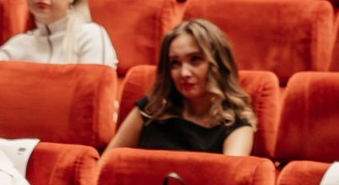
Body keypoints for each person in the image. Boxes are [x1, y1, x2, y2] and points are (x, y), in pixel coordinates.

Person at [108, 20, 256, 156]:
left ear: (217, 64)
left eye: (195, 60)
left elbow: (230, 180)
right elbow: (105, 167)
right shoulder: (151, 109)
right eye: (175, 63)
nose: (184, 73)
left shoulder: (236, 125)